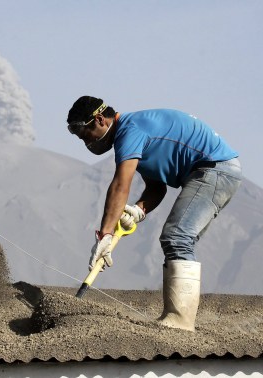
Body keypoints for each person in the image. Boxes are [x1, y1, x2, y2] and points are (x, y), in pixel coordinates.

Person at [66, 96, 241, 331]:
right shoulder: (133, 133)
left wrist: (105, 235)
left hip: (215, 169)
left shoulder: (129, 131)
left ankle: (180, 322)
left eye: (85, 135)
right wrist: (138, 210)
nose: (86, 143)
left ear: (99, 120)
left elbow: (120, 185)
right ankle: (179, 319)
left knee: (177, 237)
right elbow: (157, 187)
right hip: (213, 170)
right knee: (178, 238)